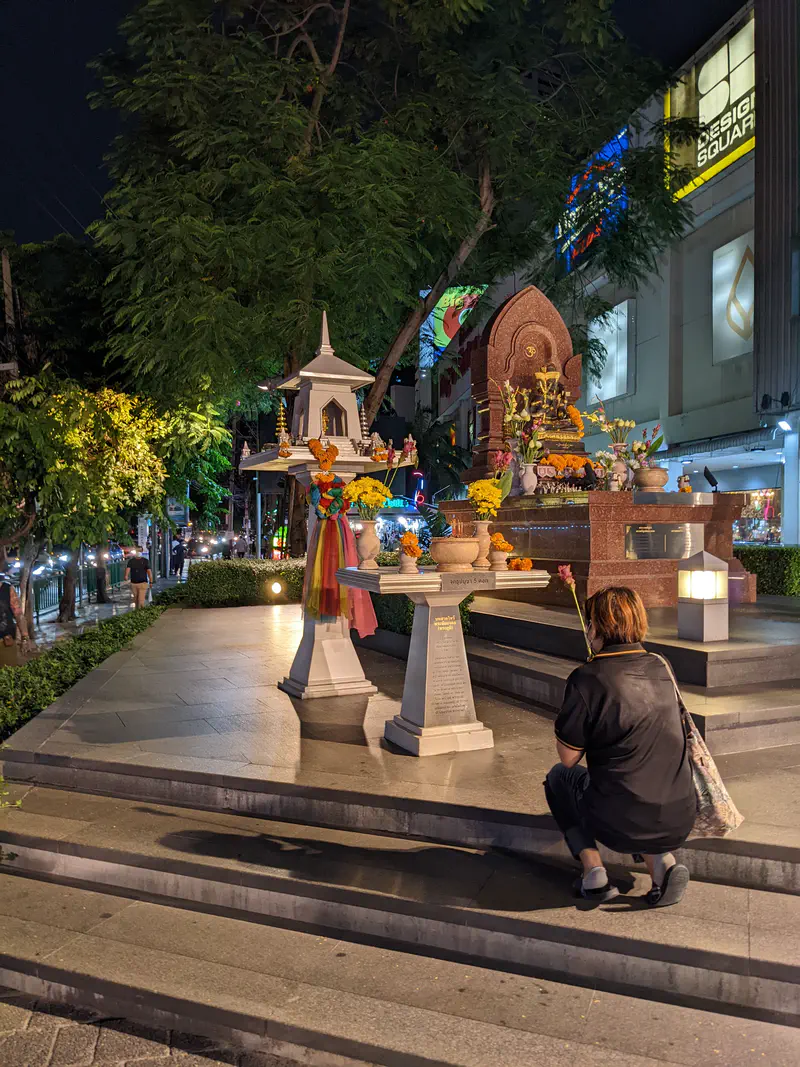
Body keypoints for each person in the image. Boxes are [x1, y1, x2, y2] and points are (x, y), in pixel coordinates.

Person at [545, 586, 695, 908]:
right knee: (642, 780)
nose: (587, 630)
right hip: (681, 814)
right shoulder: (660, 665)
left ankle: (594, 874)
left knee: (559, 779)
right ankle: (662, 867)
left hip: (618, 823)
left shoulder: (587, 678)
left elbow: (569, 757)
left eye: (589, 623)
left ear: (597, 627)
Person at [0, 569, 30, 667]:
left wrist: (25, 638)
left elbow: (18, 615)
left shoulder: (7, 589)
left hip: (4, 642)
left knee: (8, 676)